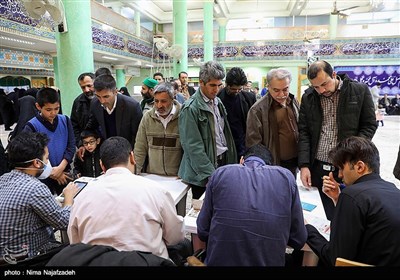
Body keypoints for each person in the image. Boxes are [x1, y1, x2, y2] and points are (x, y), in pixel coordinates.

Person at [68, 136, 188, 262]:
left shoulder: (82, 197)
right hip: (149, 263)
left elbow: (75, 244)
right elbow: (175, 237)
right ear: (132, 157)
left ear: (102, 165)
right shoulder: (155, 190)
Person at [197, 144, 307, 266]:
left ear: (241, 161)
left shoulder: (221, 174)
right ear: (270, 166)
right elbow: (299, 240)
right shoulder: (286, 178)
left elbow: (202, 230)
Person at [298, 60, 377, 220]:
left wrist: (352, 152)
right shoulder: (308, 97)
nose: (321, 90)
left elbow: (369, 125)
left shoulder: (359, 91)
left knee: (353, 210)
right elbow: (304, 132)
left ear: (334, 75)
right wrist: (304, 165)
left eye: (324, 84)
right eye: (316, 87)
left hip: (350, 164)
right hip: (320, 165)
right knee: (327, 212)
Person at [306, 136, 400, 266]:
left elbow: (335, 258)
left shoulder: (351, 195)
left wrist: (308, 230)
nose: (339, 175)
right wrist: (337, 198)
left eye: (341, 168)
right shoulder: (394, 190)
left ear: (359, 167)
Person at [0, 132, 78, 258]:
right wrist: (68, 198)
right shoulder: (35, 188)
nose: (48, 162)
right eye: (46, 158)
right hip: (29, 256)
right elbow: (64, 222)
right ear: (37, 163)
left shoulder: (3, 179)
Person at [178, 61, 237, 199]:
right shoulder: (191, 108)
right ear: (201, 83)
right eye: (212, 85)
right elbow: (192, 147)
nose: (216, 89)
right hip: (203, 171)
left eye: (218, 85)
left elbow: (223, 134)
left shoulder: (217, 101)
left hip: (221, 162)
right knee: (203, 212)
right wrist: (210, 174)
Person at [246, 68, 300, 178]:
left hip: (295, 163)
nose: (282, 94)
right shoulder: (257, 110)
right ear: (268, 86)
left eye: (285, 89)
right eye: (276, 90)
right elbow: (254, 143)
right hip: (272, 166)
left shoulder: (293, 101)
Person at [22, 87, 75, 195]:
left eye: (57, 108)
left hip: (64, 171)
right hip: (42, 176)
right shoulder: (32, 126)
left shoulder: (65, 120)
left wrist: (61, 168)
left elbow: (71, 146)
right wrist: (52, 173)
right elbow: (30, 155)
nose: (53, 113)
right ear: (38, 106)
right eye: (48, 110)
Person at [82, 74, 142, 152]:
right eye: (98, 96)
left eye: (106, 96)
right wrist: (83, 143)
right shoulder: (95, 103)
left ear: (115, 92)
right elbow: (91, 126)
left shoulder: (132, 106)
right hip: (107, 150)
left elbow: (138, 136)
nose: (102, 101)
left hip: (128, 151)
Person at [134, 82, 182, 176]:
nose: (159, 105)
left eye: (163, 101)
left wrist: (184, 174)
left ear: (172, 100)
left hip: (177, 178)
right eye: (156, 101)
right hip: (153, 176)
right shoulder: (147, 117)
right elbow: (140, 148)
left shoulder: (183, 116)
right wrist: (135, 173)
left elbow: (189, 150)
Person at [217, 67, 256, 160]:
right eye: (234, 89)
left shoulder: (249, 98)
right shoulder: (218, 99)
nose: (237, 92)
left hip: (244, 145)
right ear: (227, 84)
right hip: (226, 146)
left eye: (240, 89)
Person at [70, 72, 96, 147]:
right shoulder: (78, 102)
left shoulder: (103, 100)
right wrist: (80, 144)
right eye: (83, 87)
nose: (86, 90)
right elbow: (74, 126)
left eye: (89, 86)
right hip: (86, 146)